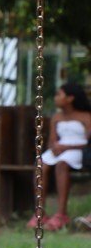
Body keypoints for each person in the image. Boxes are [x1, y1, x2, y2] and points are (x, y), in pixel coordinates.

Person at [26, 83, 91, 231]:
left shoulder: (86, 117)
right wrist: (54, 147)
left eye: (59, 95)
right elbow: (52, 141)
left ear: (70, 98)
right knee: (40, 164)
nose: (55, 98)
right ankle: (40, 212)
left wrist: (67, 147)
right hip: (59, 148)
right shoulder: (56, 117)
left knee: (62, 164)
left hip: (77, 149)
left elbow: (88, 142)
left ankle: (61, 214)